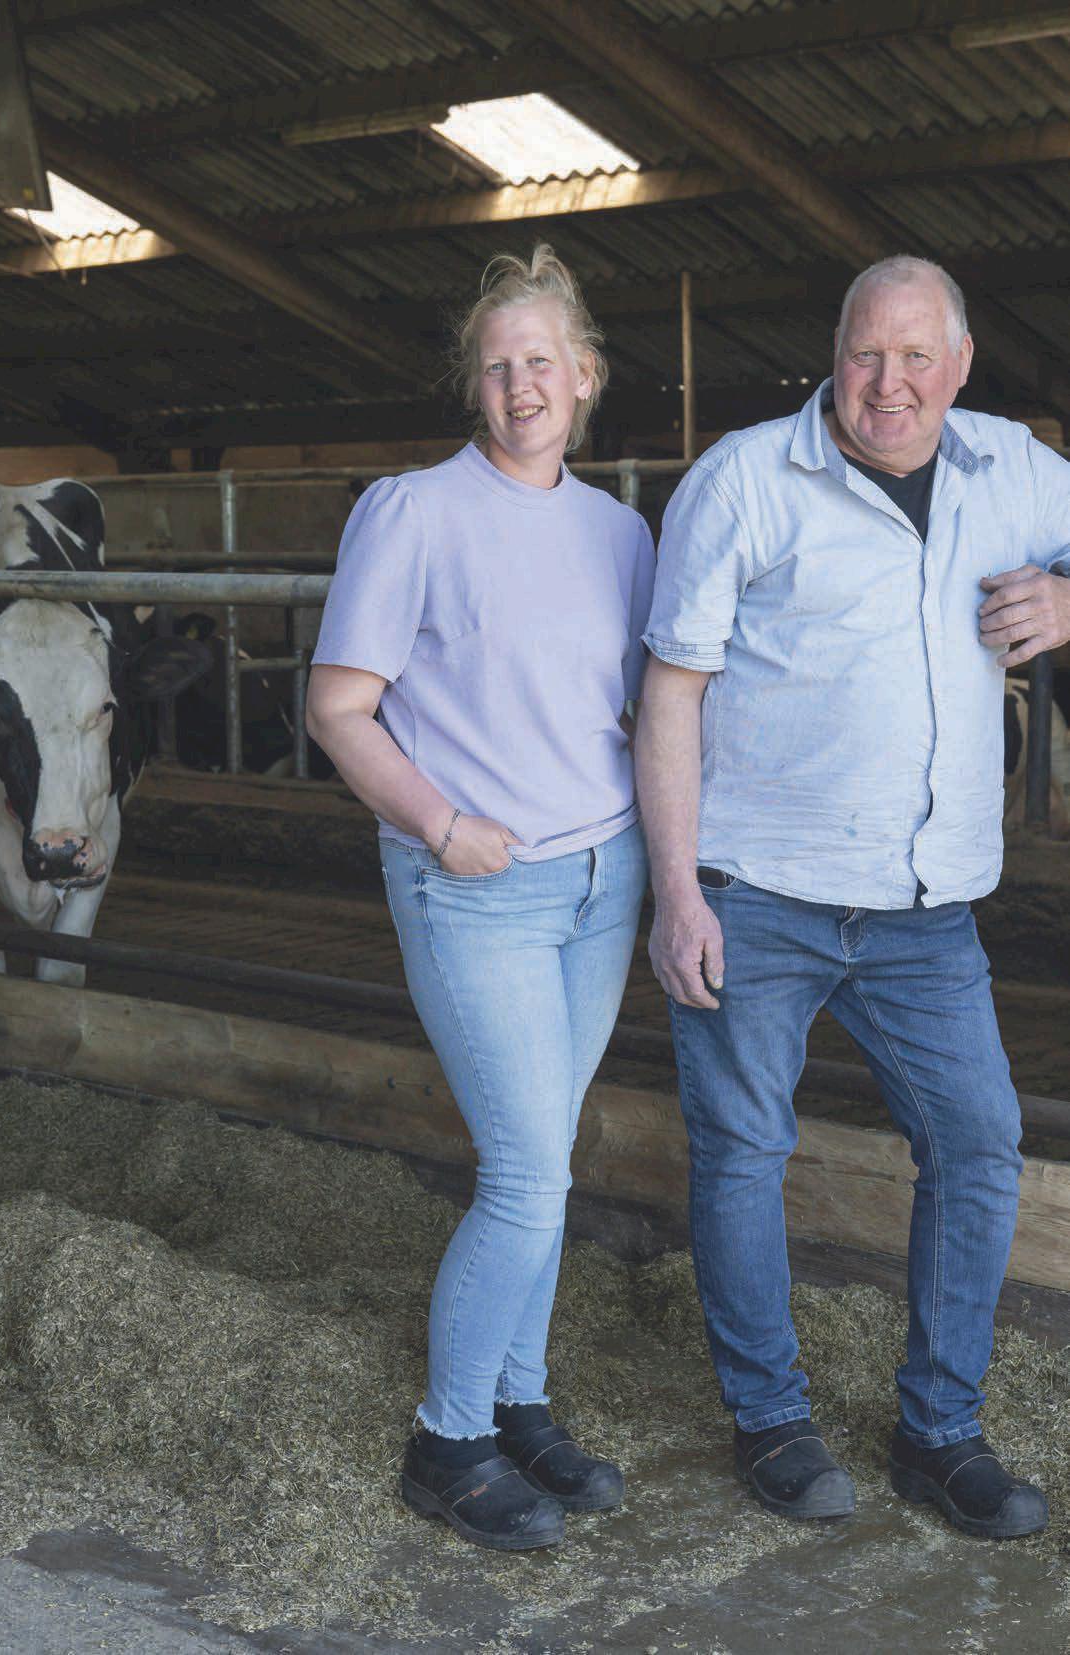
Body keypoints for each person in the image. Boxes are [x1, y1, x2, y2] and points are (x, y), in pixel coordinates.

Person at [636, 254, 1070, 1539]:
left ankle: (938, 1432)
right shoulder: (743, 480)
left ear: (961, 364)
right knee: (742, 1151)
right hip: (757, 889)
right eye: (865, 354)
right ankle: (770, 1419)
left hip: (925, 909)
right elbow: (670, 692)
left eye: (916, 357)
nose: (889, 384)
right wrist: (677, 893)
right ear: (832, 354)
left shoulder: (1014, 472)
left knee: (978, 1143)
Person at [305, 246, 654, 1552]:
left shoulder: (620, 533)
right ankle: (445, 1438)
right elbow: (338, 707)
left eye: (542, 362)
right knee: (524, 1172)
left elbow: (650, 705)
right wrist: (442, 825)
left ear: (586, 375)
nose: (522, 387)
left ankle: (519, 1400)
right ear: (476, 385)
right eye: (498, 367)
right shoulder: (411, 512)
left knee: (544, 1159)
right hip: (475, 884)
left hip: (600, 876)